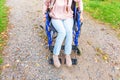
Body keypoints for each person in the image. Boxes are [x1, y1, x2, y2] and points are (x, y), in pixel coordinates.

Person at [43, 0, 83, 68]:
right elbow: (45, 3)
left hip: (68, 17)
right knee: (62, 32)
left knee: (69, 32)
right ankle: (55, 55)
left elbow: (79, 1)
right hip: (56, 17)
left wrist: (81, 14)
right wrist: (44, 15)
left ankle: (67, 54)